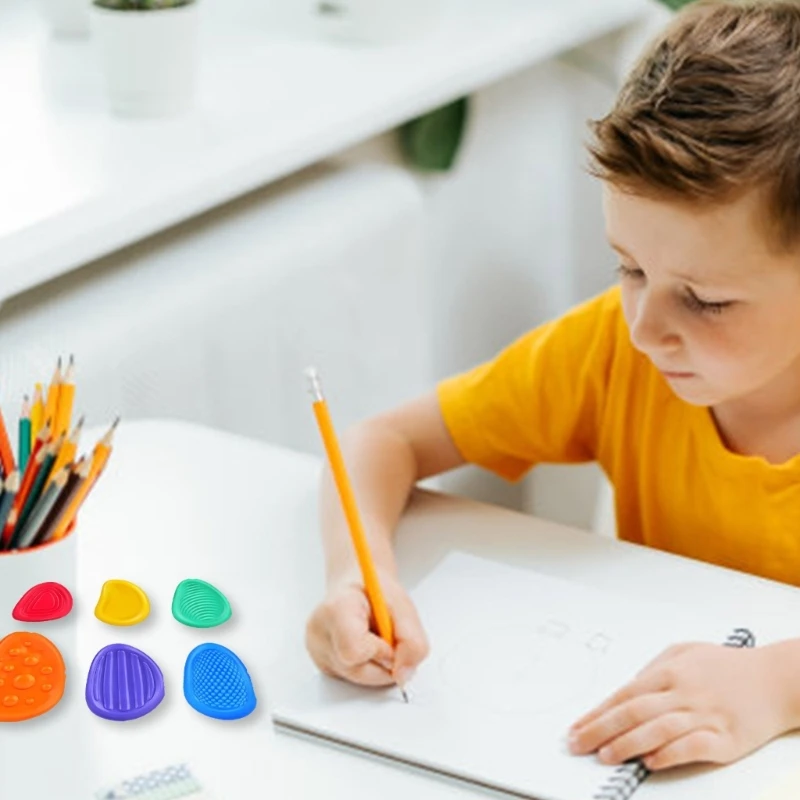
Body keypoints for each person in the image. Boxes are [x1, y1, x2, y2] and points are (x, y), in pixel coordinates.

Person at [305, 0, 800, 772]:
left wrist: (777, 684)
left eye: (705, 300)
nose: (645, 329)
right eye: (629, 267)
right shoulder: (611, 348)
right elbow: (382, 441)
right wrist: (354, 580)